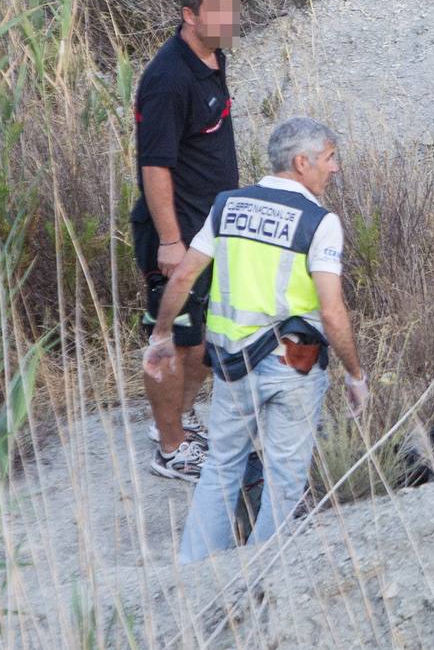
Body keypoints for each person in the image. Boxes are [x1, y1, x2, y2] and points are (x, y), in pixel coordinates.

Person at [143, 117, 370, 563]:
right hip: (294, 365)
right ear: (301, 162)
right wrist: (355, 373)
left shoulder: (228, 205)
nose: (335, 168)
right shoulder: (319, 222)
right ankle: (268, 572)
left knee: (221, 467)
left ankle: (193, 572)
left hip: (231, 367)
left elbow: (185, 274)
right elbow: (331, 310)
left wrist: (162, 333)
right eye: (329, 158)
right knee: (285, 478)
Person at [131, 0, 241, 480]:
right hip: (178, 236)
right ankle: (171, 450)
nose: (229, 18)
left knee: (204, 340)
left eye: (232, 7)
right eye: (217, 10)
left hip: (211, 230)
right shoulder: (167, 79)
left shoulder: (212, 58)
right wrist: (171, 241)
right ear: (189, 15)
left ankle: (174, 420)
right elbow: (155, 166)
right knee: (174, 341)